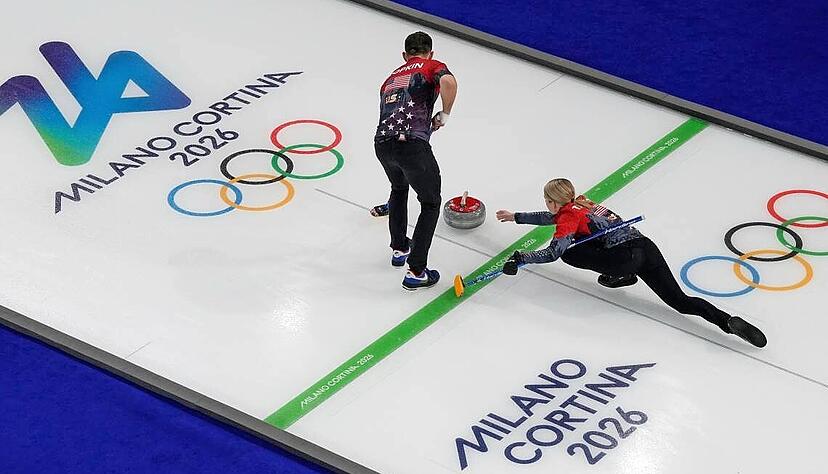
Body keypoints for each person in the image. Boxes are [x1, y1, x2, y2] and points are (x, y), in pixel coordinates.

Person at [495, 178, 767, 347]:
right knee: (680, 301)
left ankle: (622, 275)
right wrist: (516, 216)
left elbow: (554, 252)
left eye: (547, 201)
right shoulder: (583, 203)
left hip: (623, 259)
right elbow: (551, 217)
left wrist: (521, 258)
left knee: (570, 252)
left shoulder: (568, 217)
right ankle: (728, 322)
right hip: (645, 247)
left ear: (553, 201)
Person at [374, 31, 458, 290]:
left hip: (382, 144)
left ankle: (399, 248)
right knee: (431, 203)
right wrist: (444, 114)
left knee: (399, 189)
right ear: (430, 53)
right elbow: (450, 83)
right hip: (411, 145)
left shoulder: (390, 78)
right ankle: (416, 271)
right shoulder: (432, 66)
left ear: (404, 56)